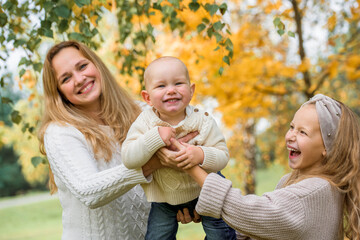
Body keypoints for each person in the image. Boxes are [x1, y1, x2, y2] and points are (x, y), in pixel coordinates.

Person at [38, 41, 197, 240]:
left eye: (82, 66)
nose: (79, 79)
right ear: (59, 91)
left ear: (96, 65)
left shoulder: (141, 113)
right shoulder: (60, 132)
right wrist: (150, 165)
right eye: (66, 78)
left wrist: (188, 200)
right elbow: (89, 192)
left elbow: (191, 136)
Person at [180, 93, 360, 240]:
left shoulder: (314, 192)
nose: (290, 136)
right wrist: (211, 215)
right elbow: (260, 227)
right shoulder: (294, 181)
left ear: (328, 148)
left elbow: (251, 213)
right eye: (292, 127)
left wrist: (190, 167)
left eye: (302, 132)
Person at [121, 56, 236, 240]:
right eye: (161, 86)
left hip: (205, 190)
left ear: (191, 91)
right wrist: (155, 137)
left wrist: (200, 154)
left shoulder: (203, 120)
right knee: (157, 237)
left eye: (178, 83)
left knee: (221, 234)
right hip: (164, 198)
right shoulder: (145, 123)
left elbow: (223, 155)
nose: (171, 90)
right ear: (147, 98)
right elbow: (128, 158)